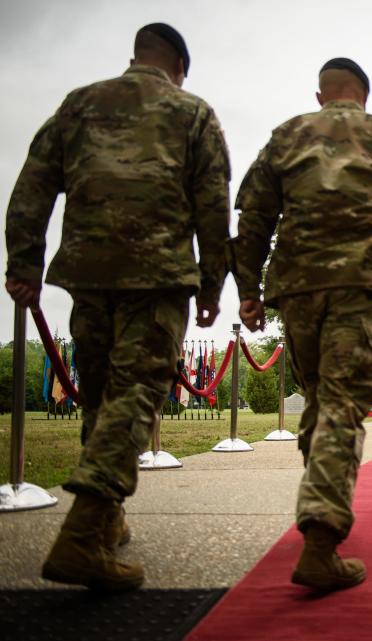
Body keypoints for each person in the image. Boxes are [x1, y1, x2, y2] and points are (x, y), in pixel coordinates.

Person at [4, 23, 230, 591]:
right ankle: (82, 537)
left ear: (137, 57)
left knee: (100, 399)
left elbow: (32, 186)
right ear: (180, 66)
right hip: (155, 279)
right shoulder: (192, 113)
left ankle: (107, 520)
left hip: (88, 274)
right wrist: (210, 286)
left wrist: (23, 263)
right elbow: (213, 208)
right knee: (134, 399)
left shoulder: (80, 104)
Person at [231, 57, 372, 594]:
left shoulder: (288, 136)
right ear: (363, 96)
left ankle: (320, 505)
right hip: (363, 288)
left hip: (298, 290)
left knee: (321, 398)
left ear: (321, 95)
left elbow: (252, 217)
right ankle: (321, 539)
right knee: (343, 405)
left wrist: (249, 291)